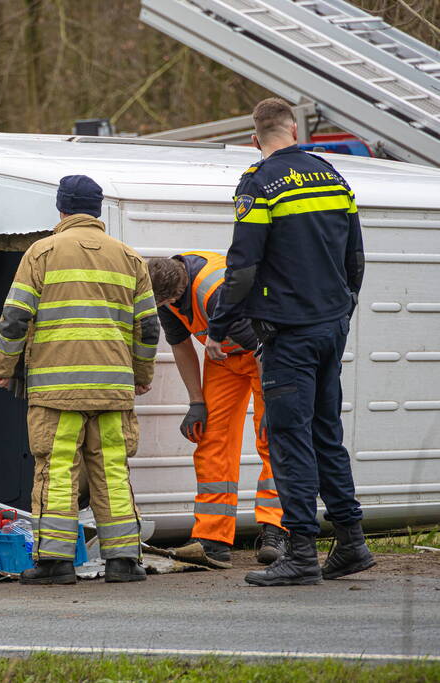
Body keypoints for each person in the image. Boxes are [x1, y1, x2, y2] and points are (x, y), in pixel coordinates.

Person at [206, 98, 373, 586]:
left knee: (288, 440)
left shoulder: (258, 183)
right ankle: (351, 542)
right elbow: (356, 257)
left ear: (255, 140)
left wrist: (218, 328)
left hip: (288, 333)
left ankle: (300, 551)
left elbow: (242, 268)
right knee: (327, 433)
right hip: (330, 325)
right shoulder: (333, 176)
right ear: (294, 130)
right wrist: (343, 309)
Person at [0, 174, 159, 585]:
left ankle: (54, 562)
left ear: (61, 209)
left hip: (57, 391)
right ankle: (123, 561)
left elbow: (15, 319)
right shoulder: (130, 258)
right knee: (112, 471)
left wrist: (1, 367)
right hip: (113, 392)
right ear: (97, 210)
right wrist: (140, 375)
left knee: (58, 470)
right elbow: (149, 328)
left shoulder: (42, 252)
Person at [147, 253, 287, 569]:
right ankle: (213, 537)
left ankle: (276, 530)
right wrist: (196, 402)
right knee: (211, 441)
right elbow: (181, 345)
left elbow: (262, 347)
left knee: (273, 438)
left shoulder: (216, 293)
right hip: (223, 356)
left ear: (174, 293)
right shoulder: (167, 297)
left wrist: (274, 401)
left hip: (265, 355)